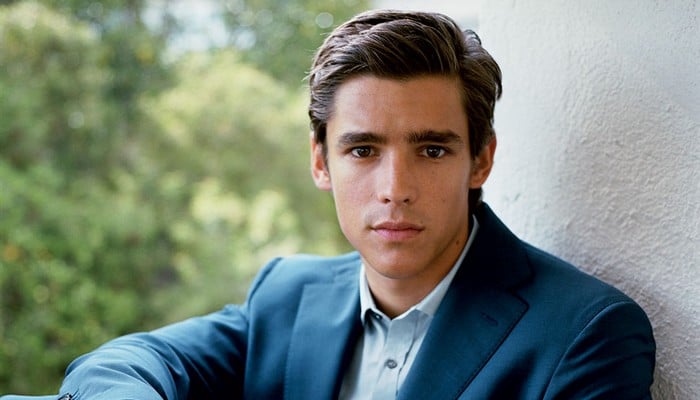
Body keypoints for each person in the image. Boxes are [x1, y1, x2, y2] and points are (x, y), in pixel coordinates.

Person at [2, 9, 655, 400]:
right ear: (321, 162)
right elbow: (122, 365)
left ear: (480, 159)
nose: (394, 187)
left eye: (431, 149)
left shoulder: (587, 333)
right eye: (363, 150)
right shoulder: (288, 295)